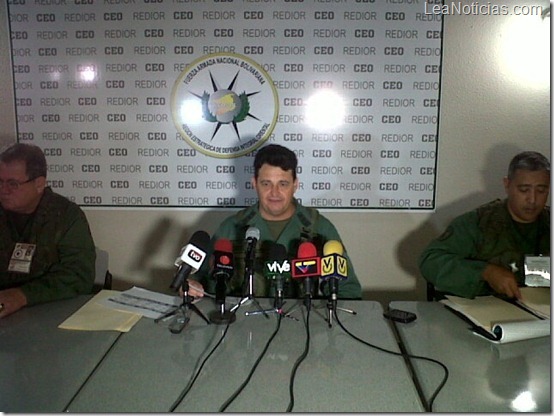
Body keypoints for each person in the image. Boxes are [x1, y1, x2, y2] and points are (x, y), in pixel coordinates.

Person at [189, 144, 362, 300]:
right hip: (242, 321)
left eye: (283, 184)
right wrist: (193, 286)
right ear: (254, 184)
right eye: (266, 184)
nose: (274, 192)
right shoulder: (232, 228)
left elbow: (348, 290)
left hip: (304, 321)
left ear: (295, 185)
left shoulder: (319, 228)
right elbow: (201, 280)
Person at [419, 151, 550, 300]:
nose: (532, 199)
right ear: (507, 185)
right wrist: (486, 272)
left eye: (541, 190)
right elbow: (429, 261)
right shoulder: (477, 223)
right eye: (524, 190)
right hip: (482, 308)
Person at [0, 143, 96, 318]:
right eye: (0, 181)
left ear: (39, 184)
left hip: (48, 312)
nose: (3, 190)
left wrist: (23, 296)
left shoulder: (66, 216)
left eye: (13, 184)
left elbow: (79, 276)